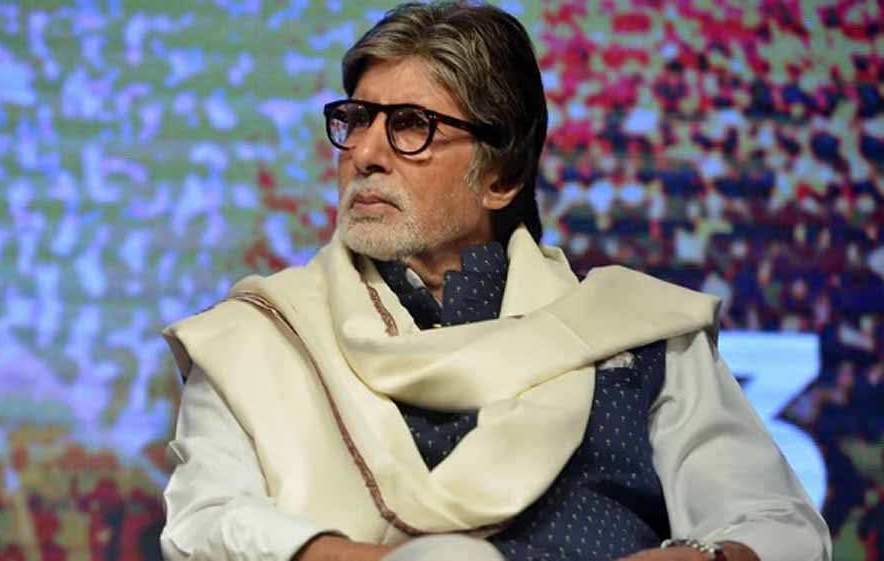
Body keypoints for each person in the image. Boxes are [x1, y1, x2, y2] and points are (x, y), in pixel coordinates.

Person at [159, 3, 831, 561]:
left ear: (502, 177)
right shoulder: (260, 338)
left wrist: (706, 557)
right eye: (357, 119)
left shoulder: (634, 332)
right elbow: (203, 523)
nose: (364, 153)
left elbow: (779, 525)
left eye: (411, 125)